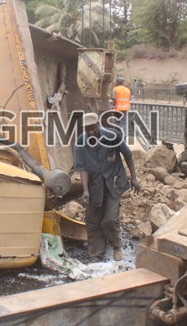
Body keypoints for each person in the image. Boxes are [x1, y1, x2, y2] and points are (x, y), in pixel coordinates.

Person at [74, 112, 141, 262]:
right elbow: (82, 168)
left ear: (98, 124)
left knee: (110, 219)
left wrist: (134, 178)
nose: (91, 132)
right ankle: (96, 255)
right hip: (95, 185)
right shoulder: (80, 143)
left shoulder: (112, 136)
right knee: (92, 220)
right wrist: (85, 190)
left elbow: (128, 155)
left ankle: (117, 245)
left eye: (93, 128)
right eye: (87, 130)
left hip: (114, 183)